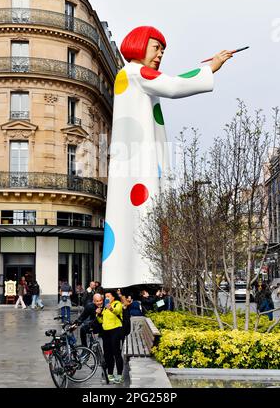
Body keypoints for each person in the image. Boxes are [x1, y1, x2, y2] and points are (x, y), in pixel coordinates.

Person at [102, 26, 232, 288]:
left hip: (133, 162)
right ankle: (145, 277)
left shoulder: (133, 75)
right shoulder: (135, 71)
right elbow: (172, 85)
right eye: (156, 47)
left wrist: (204, 70)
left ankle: (133, 276)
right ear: (139, 45)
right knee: (144, 211)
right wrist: (211, 68)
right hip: (140, 163)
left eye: (163, 50)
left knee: (135, 215)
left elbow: (168, 80)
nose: (160, 54)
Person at [96, 289, 124, 384]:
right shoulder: (104, 307)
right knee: (108, 354)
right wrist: (99, 314)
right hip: (106, 332)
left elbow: (117, 312)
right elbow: (101, 321)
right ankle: (110, 374)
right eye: (105, 297)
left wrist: (110, 308)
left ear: (113, 297)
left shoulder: (117, 304)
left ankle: (119, 375)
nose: (106, 298)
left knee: (116, 353)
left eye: (108, 296)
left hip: (116, 330)